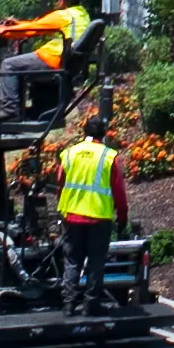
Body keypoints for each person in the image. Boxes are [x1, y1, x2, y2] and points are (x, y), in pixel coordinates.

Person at [51, 117, 121, 302]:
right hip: (99, 219)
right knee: (96, 262)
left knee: (72, 261)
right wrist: (123, 216)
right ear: (104, 133)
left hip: (72, 217)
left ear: (85, 132)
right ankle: (91, 303)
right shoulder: (109, 156)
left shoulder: (69, 153)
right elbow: (118, 190)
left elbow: (60, 182)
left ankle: (68, 303)